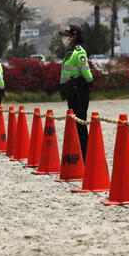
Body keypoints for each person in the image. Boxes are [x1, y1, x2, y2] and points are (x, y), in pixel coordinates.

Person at [58, 25, 93, 160]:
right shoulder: (70, 52)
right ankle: (81, 153)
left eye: (66, 36)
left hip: (78, 91)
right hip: (71, 91)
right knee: (75, 122)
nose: (64, 39)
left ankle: (86, 155)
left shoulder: (79, 52)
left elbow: (85, 71)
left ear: (74, 37)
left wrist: (89, 81)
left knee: (80, 122)